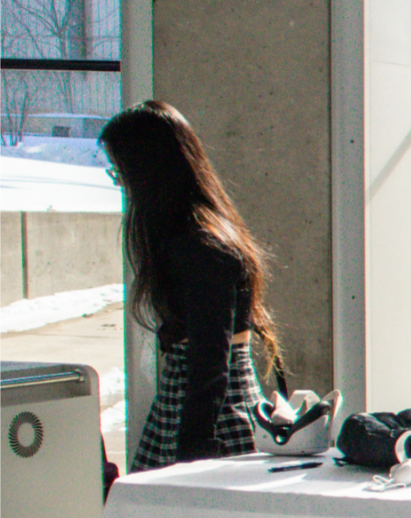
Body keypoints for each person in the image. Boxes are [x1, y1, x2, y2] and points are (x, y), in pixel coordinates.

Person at [99, 101, 283, 471]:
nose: (122, 183)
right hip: (201, 410)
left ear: (148, 170)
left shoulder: (200, 244)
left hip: (208, 418)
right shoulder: (201, 235)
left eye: (121, 172)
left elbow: (210, 359)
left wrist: (194, 447)